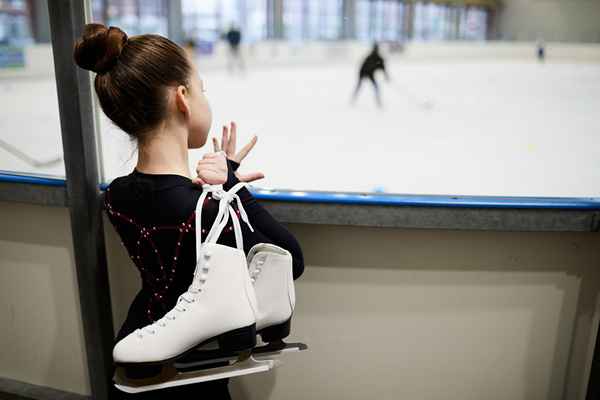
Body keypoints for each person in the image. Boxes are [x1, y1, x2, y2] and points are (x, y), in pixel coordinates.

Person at [73, 24, 304, 399]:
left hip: (136, 353)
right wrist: (235, 190)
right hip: (191, 375)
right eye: (202, 90)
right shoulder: (206, 209)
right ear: (182, 98)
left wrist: (218, 190)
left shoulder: (116, 195)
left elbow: (166, 202)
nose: (206, 101)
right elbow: (290, 260)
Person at [352, 43, 390, 108]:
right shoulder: (374, 57)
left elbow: (383, 68)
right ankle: (354, 99)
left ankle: (378, 102)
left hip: (368, 73)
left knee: (372, 87)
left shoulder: (376, 58)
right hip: (365, 73)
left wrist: (386, 76)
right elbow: (382, 68)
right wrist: (386, 75)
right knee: (361, 86)